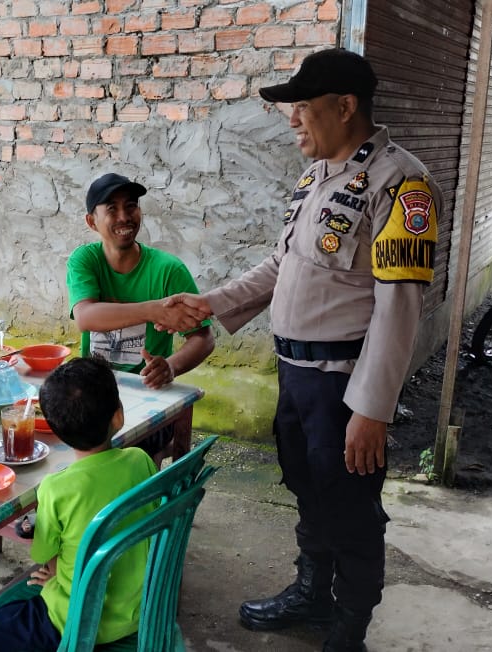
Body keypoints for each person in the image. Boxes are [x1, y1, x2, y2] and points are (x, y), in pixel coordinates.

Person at [160, 49, 443, 652]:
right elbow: (281, 264)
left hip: (344, 384)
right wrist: (210, 302)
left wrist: (371, 410)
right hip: (296, 375)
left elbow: (399, 308)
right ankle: (312, 594)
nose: (292, 119)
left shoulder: (402, 183)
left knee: (350, 506)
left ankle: (350, 626)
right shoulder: (317, 177)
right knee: (308, 489)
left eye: (302, 107)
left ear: (345, 106)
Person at [0, 357, 158, 652]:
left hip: (74, 621)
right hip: (139, 610)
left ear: (56, 431)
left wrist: (56, 575)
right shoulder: (140, 460)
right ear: (118, 417)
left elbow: (44, 556)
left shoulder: (56, 489)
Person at [65, 172, 214, 462]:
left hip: (150, 397)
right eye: (112, 209)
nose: (124, 217)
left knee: (136, 462)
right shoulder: (85, 260)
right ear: (92, 221)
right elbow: (85, 316)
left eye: (131, 206)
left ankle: (150, 475)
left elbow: (204, 338)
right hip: (96, 395)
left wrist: (170, 367)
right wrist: (154, 310)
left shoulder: (168, 270)